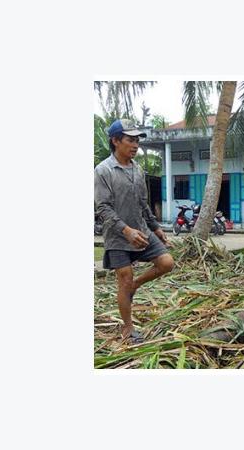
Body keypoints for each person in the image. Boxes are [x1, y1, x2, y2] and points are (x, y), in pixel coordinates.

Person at [95, 119, 175, 343]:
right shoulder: (103, 171)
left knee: (166, 263)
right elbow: (102, 207)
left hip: (142, 231)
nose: (135, 145)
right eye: (130, 140)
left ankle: (135, 286)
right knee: (124, 278)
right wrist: (126, 231)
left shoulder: (138, 169)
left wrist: (156, 228)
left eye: (137, 140)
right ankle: (128, 329)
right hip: (117, 236)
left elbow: (143, 203)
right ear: (115, 141)